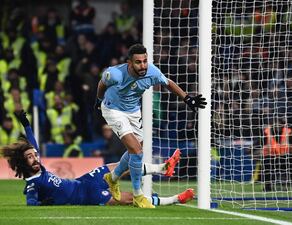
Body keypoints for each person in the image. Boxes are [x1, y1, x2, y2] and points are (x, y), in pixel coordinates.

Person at [94, 43, 206, 208]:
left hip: (133, 111)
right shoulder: (115, 74)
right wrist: (98, 99)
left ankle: (112, 178)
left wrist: (187, 97)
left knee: (137, 149)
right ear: (130, 63)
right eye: (138, 62)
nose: (143, 65)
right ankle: (138, 195)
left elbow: (168, 83)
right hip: (113, 110)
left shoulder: (152, 72)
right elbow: (102, 84)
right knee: (137, 152)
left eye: (145, 61)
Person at [1, 111, 194, 206]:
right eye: (30, 157)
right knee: (131, 199)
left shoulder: (38, 167)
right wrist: (43, 203)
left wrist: (26, 124)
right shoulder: (33, 183)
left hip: (85, 180)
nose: (35, 158)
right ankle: (176, 199)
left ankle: (163, 168)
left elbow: (33, 142)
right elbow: (31, 202)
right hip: (87, 197)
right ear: (22, 163)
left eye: (34, 155)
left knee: (121, 164)